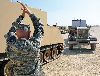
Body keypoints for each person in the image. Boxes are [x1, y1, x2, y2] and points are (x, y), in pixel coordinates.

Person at [4, 1, 44, 76]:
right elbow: (40, 29)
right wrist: (30, 14)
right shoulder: (34, 45)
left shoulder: (10, 43)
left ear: (16, 33)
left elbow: (11, 30)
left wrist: (21, 17)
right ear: (29, 33)